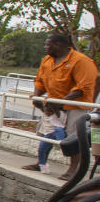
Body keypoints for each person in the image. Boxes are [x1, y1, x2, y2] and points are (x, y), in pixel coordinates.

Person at [32, 34, 100, 180]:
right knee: (46, 134)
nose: (45, 48)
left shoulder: (81, 61)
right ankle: (41, 162)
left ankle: (74, 169)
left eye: (47, 45)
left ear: (58, 45)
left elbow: (83, 87)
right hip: (52, 106)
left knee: (74, 138)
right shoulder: (47, 61)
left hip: (75, 106)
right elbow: (40, 81)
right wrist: (36, 96)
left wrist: (61, 102)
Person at [23, 104, 66, 174]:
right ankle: (42, 165)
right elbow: (39, 105)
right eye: (46, 111)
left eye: (50, 111)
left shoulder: (59, 114)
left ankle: (61, 144)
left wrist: (55, 109)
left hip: (57, 132)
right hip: (48, 134)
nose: (48, 113)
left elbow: (57, 114)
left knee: (59, 129)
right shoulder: (45, 113)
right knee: (41, 149)